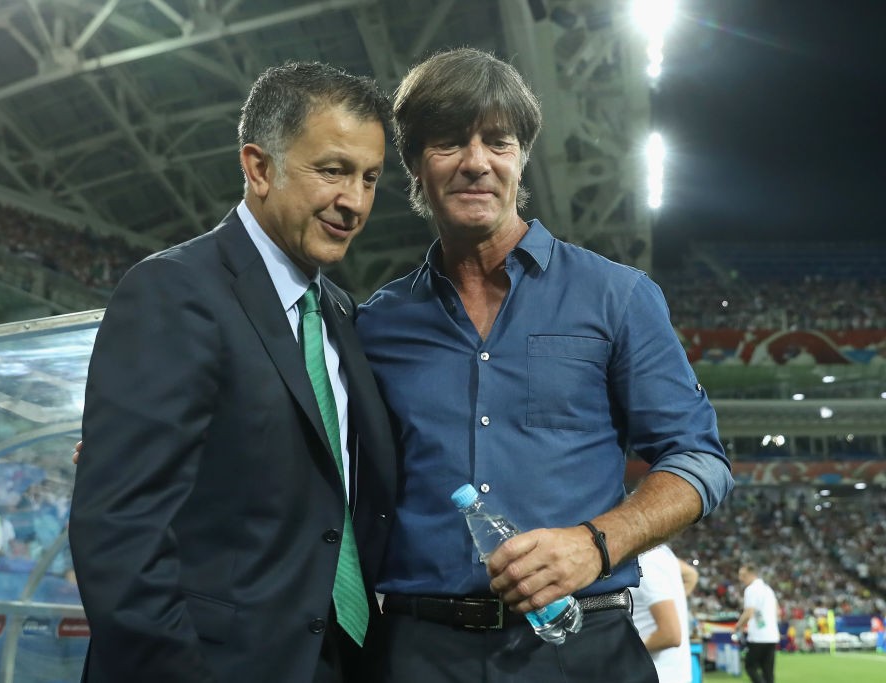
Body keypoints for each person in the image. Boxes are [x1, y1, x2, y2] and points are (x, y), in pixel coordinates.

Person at [355, 48, 733, 682]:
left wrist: (596, 541)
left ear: (521, 157)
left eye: (498, 141)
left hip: (580, 647)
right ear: (415, 164)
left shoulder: (617, 296)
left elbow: (700, 459)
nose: (477, 162)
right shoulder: (376, 324)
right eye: (449, 142)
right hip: (418, 653)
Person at [67, 62, 397, 683]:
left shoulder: (342, 315)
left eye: (369, 178)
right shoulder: (173, 291)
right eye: (332, 170)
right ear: (259, 166)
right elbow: (121, 532)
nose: (353, 201)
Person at [631, 545, 697, 683]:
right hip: (671, 673)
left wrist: (624, 652)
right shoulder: (662, 553)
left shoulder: (646, 562)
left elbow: (670, 635)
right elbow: (691, 574)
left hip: (658, 674)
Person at [734, 564, 779, 683]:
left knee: (750, 667)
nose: (740, 578)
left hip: (758, 636)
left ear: (750, 574)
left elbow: (749, 612)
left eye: (742, 575)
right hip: (772, 635)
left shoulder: (751, 589)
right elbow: (777, 611)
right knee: (768, 671)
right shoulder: (768, 589)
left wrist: (738, 626)